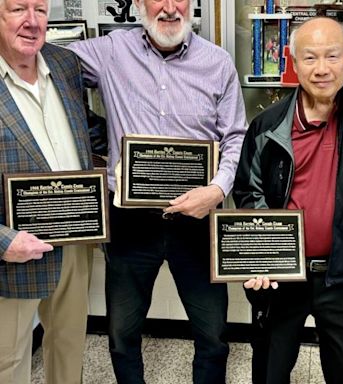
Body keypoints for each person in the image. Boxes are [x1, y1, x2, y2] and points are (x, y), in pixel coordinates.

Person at [68, 0, 247, 383]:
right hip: (130, 222)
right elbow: (44, 59)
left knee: (213, 335)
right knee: (121, 335)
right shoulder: (110, 51)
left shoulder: (218, 62)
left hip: (198, 219)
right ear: (137, 5)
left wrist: (218, 189)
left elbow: (234, 137)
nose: (168, 7)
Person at [233, 17, 343, 384]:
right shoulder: (268, 125)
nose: (322, 69)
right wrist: (264, 255)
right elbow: (248, 191)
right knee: (270, 370)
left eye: (332, 56)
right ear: (292, 61)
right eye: (310, 58)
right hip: (283, 275)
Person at [0, 0, 94, 383]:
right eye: (18, 9)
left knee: (69, 348)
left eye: (40, 9)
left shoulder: (65, 64)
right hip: (13, 253)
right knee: (9, 361)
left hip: (75, 240)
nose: (32, 21)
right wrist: (3, 241)